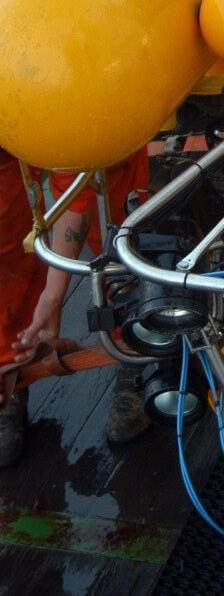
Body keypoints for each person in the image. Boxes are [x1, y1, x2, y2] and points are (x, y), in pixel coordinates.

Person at [0, 149, 150, 465]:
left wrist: (54, 296)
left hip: (78, 117)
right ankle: (10, 365)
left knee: (116, 219)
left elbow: (78, 184)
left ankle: (141, 343)